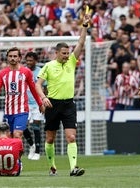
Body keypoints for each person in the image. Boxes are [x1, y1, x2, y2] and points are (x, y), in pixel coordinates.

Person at [35, 7, 91, 177]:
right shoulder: (48, 66)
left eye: (68, 53)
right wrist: (43, 98)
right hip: (52, 103)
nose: (67, 55)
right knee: (50, 139)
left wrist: (85, 26)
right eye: (64, 53)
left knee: (71, 137)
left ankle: (73, 167)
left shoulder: (71, 62)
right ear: (57, 53)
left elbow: (81, 43)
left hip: (68, 104)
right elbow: (38, 84)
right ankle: (52, 167)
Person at [0, 47, 45, 139]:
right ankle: (17, 152)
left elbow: (33, 89)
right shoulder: (3, 73)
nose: (12, 58)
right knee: (11, 136)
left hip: (22, 110)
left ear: (19, 58)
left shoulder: (26, 72)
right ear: (7, 58)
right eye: (10, 56)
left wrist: (40, 103)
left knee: (18, 134)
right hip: (9, 110)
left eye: (15, 56)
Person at [23, 51, 46, 160]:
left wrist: (44, 100)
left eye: (31, 61)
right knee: (23, 125)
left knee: (36, 126)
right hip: (25, 103)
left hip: (37, 103)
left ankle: (37, 151)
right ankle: (31, 145)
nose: (28, 62)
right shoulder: (22, 71)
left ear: (35, 61)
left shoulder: (40, 72)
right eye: (27, 60)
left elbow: (45, 87)